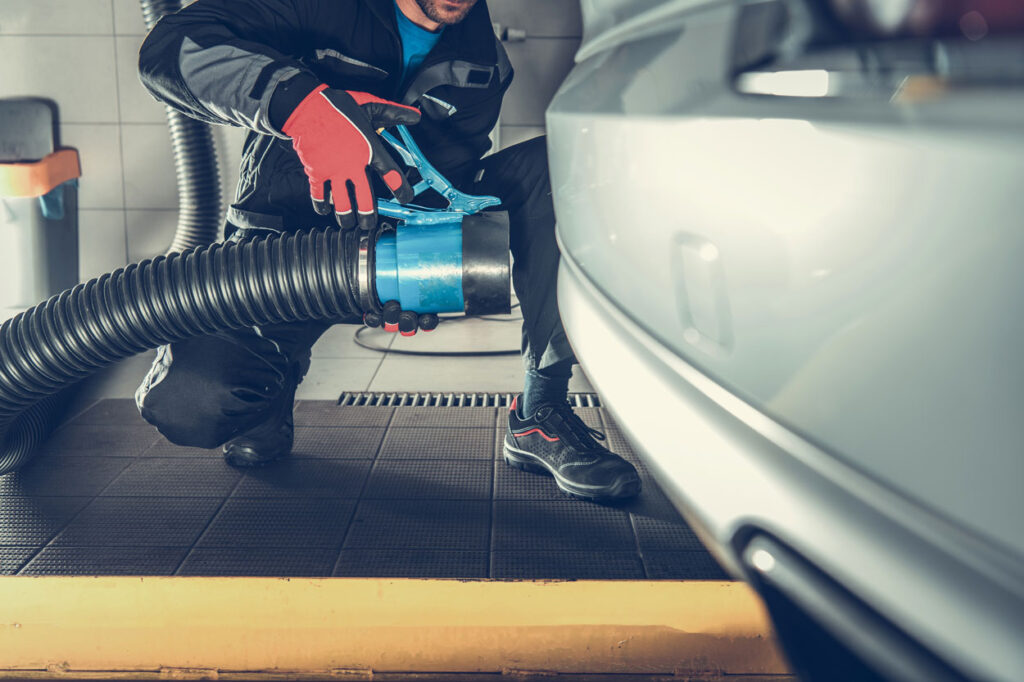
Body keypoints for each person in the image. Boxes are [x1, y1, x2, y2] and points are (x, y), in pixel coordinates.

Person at [134, 0, 641, 501]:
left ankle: (541, 412)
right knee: (193, 403)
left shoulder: (483, 57)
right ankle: (274, 377)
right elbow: (169, 48)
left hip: (385, 247)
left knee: (560, 168)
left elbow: (447, 179)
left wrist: (425, 266)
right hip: (281, 247)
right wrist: (307, 109)